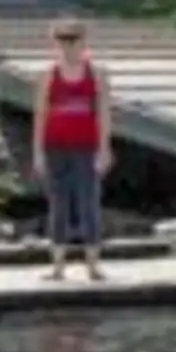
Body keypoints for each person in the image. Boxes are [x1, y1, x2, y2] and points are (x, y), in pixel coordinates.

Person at [33, 19, 111, 283]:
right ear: (56, 43)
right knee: (58, 205)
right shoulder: (49, 73)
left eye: (73, 39)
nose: (68, 45)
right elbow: (41, 114)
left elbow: (103, 112)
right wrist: (38, 152)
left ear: (83, 41)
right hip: (55, 146)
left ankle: (93, 265)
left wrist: (104, 148)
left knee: (89, 202)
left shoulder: (96, 73)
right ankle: (57, 266)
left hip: (86, 146)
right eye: (63, 40)